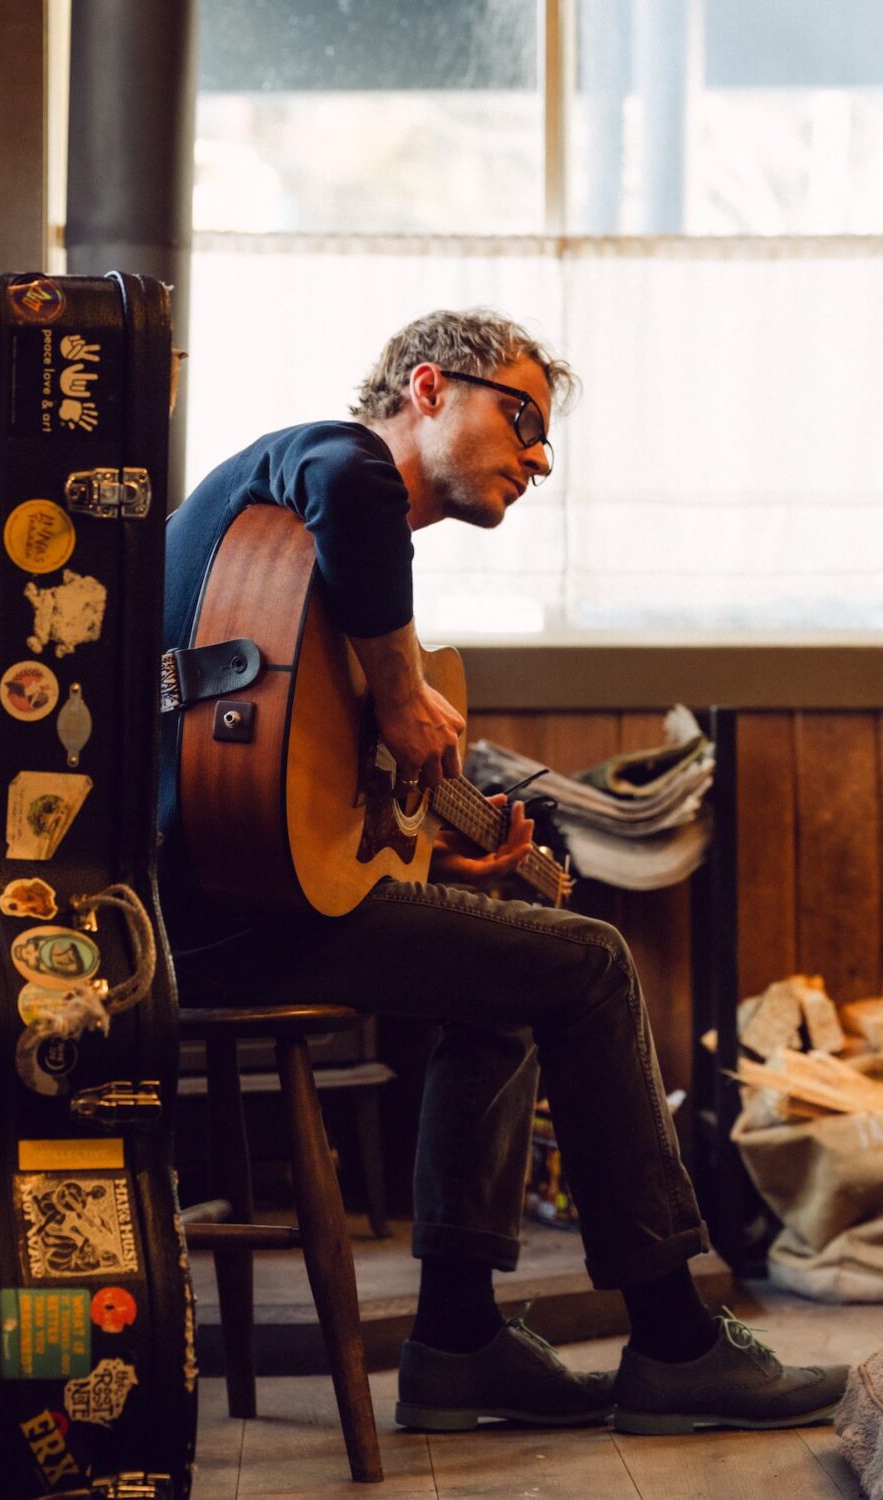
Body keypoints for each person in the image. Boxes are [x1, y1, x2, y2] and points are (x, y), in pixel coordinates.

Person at [159, 309, 847, 1435]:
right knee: (588, 960)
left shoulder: (305, 582)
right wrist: (394, 685)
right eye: (520, 417)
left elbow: (307, 793)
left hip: (251, 898)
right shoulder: (320, 478)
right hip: (208, 914)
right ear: (427, 389)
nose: (537, 455)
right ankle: (675, 1342)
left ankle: (458, 1340)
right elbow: (339, 470)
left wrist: (439, 838)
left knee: (507, 991)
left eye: (543, 437)